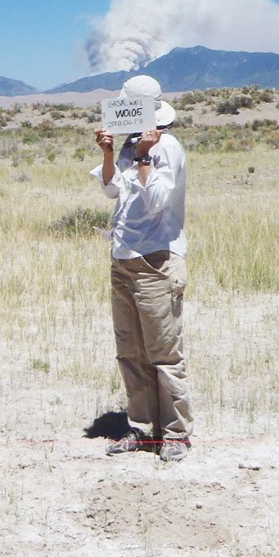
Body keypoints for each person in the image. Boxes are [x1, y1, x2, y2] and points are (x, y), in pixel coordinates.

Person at [91, 74, 193, 462]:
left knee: (164, 352)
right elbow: (111, 190)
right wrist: (107, 153)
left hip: (156, 261)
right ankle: (140, 427)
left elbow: (155, 202)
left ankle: (175, 433)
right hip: (123, 258)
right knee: (130, 349)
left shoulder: (167, 148)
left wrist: (146, 155)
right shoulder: (130, 146)